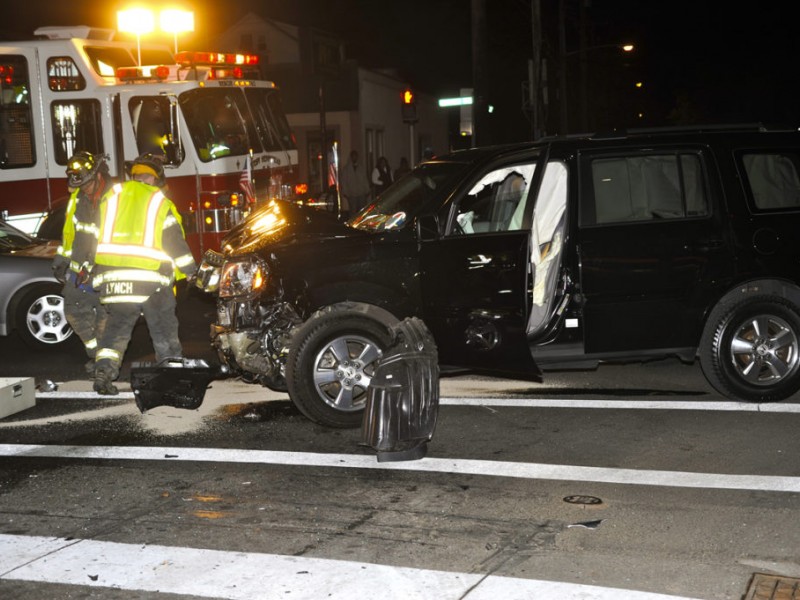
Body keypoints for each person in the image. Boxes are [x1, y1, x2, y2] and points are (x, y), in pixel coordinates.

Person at [91, 153, 197, 395]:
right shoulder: (158, 201)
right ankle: (172, 376)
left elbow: (94, 235)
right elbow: (174, 242)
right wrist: (192, 272)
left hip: (114, 280)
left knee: (116, 332)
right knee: (163, 330)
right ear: (156, 179)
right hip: (150, 279)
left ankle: (104, 373)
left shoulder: (112, 197)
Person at [51, 151, 112, 374]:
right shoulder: (77, 198)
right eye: (80, 184)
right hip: (80, 269)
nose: (83, 188)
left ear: (97, 175)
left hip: (107, 268)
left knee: (105, 317)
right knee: (73, 311)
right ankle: (96, 353)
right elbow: (70, 232)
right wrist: (62, 258)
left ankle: (104, 363)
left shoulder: (114, 197)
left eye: (86, 183)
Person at [339, 150, 371, 216]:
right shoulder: (346, 169)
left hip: (361, 192)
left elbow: (365, 179)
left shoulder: (361, 167)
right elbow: (344, 181)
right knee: (352, 211)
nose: (354, 158)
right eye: (353, 156)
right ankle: (352, 225)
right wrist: (345, 192)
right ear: (351, 157)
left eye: (355, 156)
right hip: (351, 193)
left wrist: (367, 190)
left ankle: (361, 224)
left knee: (362, 210)